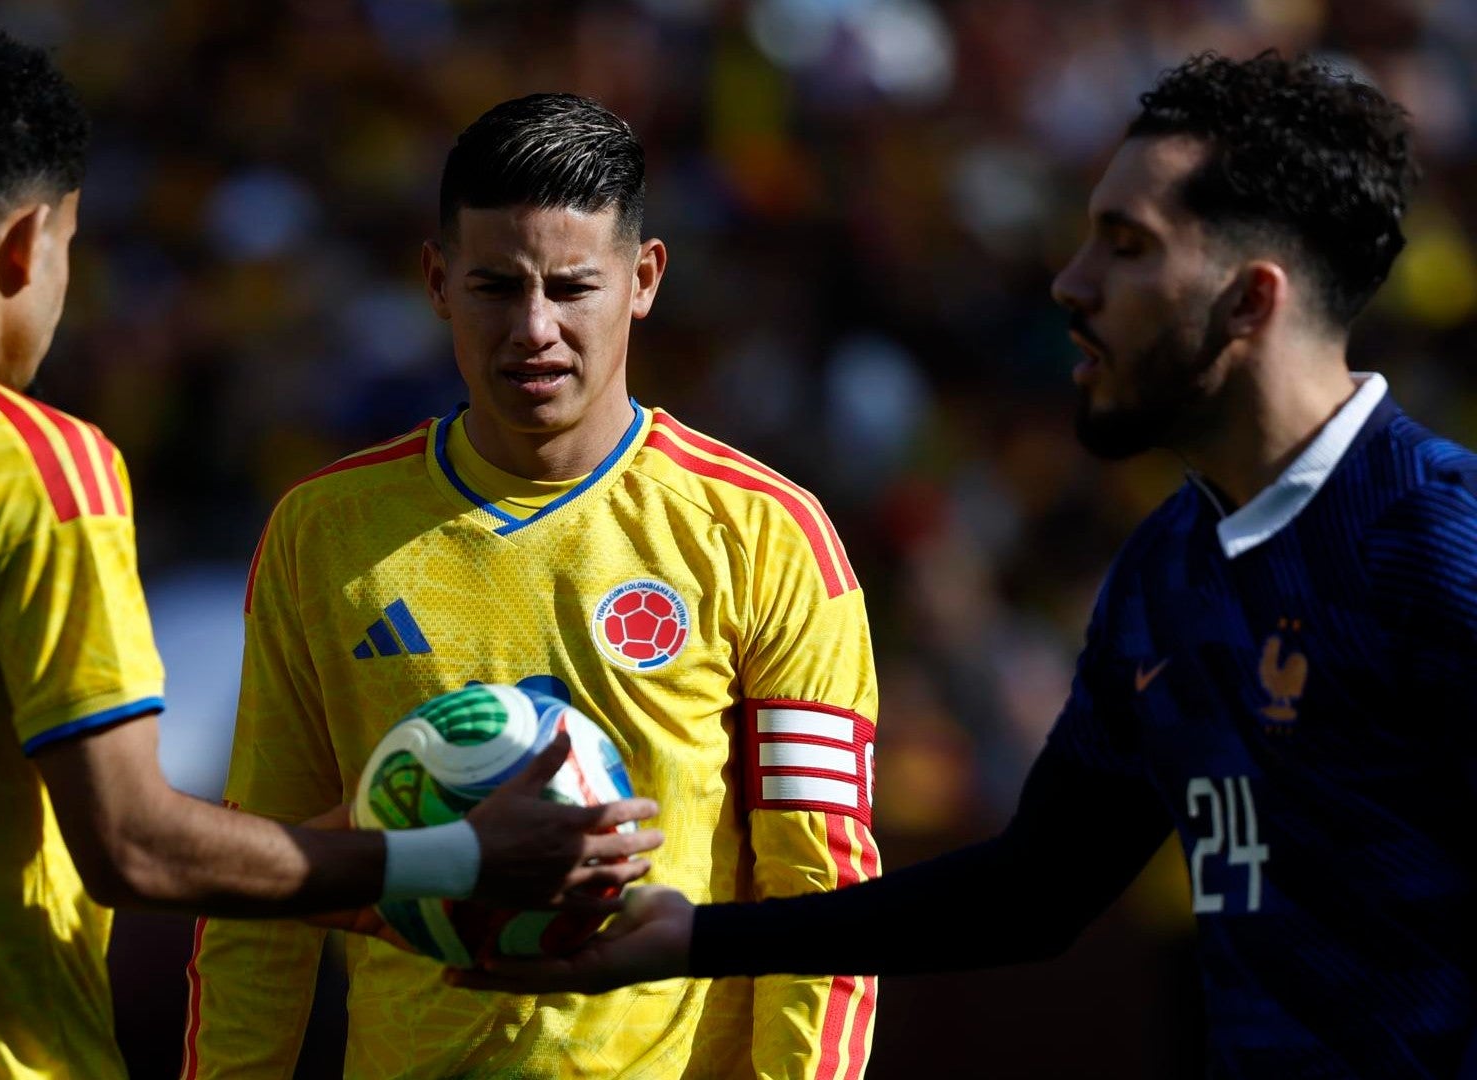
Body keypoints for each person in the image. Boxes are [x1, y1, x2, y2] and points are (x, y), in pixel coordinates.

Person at [455, 51, 1477, 1077]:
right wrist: (699, 940)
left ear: (1251, 300)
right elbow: (1032, 892)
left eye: (1126, 247)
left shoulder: (1438, 545)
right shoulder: (1169, 570)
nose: (1071, 284)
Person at [0, 32, 659, 1078]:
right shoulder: (30, 463)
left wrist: (341, 868)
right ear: (27, 242)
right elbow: (131, 844)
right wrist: (450, 856)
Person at [186, 93, 882, 1080]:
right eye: (496, 286)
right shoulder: (324, 532)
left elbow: (824, 891)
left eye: (571, 286)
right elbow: (262, 885)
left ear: (643, 280)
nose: (535, 328)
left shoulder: (765, 534)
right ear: (436, 282)